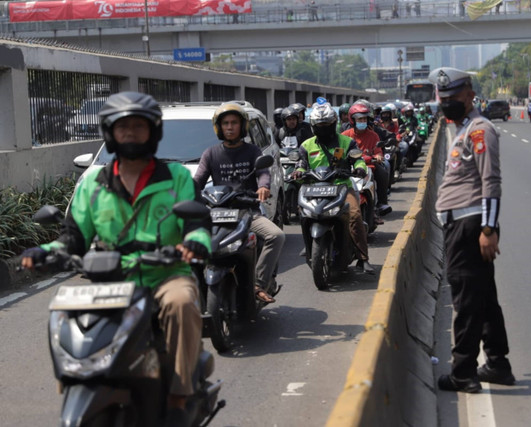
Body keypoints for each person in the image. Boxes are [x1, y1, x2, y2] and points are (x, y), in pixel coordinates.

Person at [20, 91, 211, 425]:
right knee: (65, 314)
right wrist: (44, 253)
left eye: (139, 126)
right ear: (110, 133)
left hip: (164, 274)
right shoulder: (94, 182)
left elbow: (197, 223)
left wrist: (194, 244)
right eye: (123, 127)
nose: (131, 134)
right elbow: (74, 238)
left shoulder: (177, 177)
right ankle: (77, 384)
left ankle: (180, 397)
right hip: (110, 282)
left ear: (154, 132)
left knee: (181, 303)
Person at [428, 67, 515, 393]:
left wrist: (489, 229)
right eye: (443, 99)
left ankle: (463, 372)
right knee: (484, 297)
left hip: (470, 225)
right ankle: (498, 363)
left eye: (452, 98)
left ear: (469, 95)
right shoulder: (463, 129)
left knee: (465, 299)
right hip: (464, 224)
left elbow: (490, 181)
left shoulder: (479, 131)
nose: (447, 103)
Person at [193, 102, 285, 303]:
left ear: (242, 126)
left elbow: (263, 173)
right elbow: (198, 179)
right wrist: (182, 189)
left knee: (275, 236)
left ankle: (259, 284)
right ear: (219, 127)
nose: (229, 127)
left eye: (234, 122)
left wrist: (263, 187)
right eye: (225, 123)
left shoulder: (252, 152)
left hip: (248, 211)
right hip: (218, 213)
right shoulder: (210, 154)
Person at [291, 102, 374, 274]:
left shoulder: (346, 142)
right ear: (313, 126)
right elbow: (301, 164)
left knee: (355, 215)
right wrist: (298, 173)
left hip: (341, 187)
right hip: (313, 188)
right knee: (302, 212)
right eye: (319, 126)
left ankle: (363, 258)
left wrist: (359, 168)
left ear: (333, 124)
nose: (323, 129)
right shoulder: (307, 145)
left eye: (326, 125)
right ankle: (308, 245)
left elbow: (357, 159)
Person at [342, 103, 392, 217]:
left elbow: (378, 151)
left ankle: (381, 203)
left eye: (364, 119)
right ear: (352, 120)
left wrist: (378, 156)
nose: (363, 121)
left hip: (370, 167)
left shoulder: (373, 135)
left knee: (383, 172)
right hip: (350, 168)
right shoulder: (345, 136)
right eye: (360, 119)